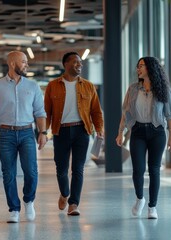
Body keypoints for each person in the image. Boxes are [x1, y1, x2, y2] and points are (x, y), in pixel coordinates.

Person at [0, 51, 47, 223]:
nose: (26, 65)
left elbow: (40, 112)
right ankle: (14, 209)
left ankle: (29, 201)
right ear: (12, 63)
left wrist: (43, 132)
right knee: (8, 173)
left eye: (26, 62)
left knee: (31, 171)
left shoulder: (33, 86)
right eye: (23, 62)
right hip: (6, 134)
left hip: (26, 133)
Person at [44, 52, 104, 216]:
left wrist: (99, 129)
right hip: (60, 131)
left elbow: (96, 111)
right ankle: (64, 193)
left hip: (81, 131)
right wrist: (43, 132)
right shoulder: (53, 85)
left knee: (78, 169)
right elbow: (47, 112)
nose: (80, 65)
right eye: (76, 62)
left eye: (81, 62)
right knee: (61, 169)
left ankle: (74, 203)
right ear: (66, 64)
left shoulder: (88, 86)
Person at [116, 56, 171, 219]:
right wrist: (120, 132)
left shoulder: (164, 89)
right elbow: (125, 112)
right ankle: (140, 198)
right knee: (138, 170)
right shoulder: (133, 89)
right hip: (138, 132)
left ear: (150, 68)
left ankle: (152, 207)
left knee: (154, 170)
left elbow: (170, 115)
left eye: (141, 66)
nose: (138, 69)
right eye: (137, 66)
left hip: (157, 132)